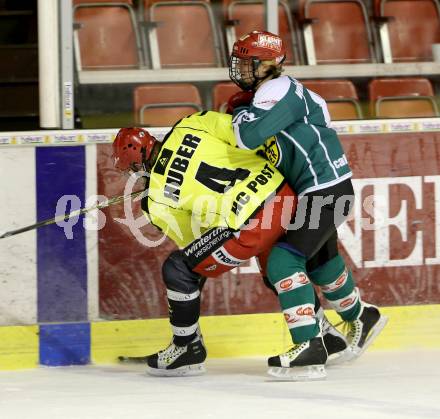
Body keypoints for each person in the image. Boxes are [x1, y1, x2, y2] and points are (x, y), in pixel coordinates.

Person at [226, 30, 387, 378]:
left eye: (246, 62)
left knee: (283, 263)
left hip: (323, 191)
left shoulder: (277, 90)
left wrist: (238, 117)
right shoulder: (281, 90)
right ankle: (361, 316)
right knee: (320, 262)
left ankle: (311, 348)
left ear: (268, 63)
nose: (239, 68)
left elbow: (247, 137)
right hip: (326, 188)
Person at [112, 111, 304, 377]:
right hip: (283, 193)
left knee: (178, 270)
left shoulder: (155, 200)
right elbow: (247, 136)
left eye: (131, 167)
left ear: (136, 157)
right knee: (278, 270)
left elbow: (195, 243)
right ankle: (320, 334)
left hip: (251, 224)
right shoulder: (190, 124)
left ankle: (186, 348)